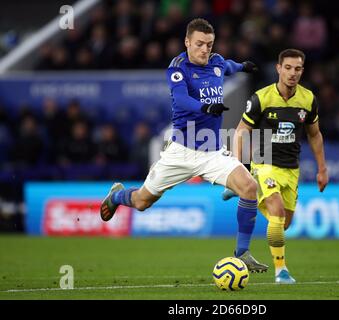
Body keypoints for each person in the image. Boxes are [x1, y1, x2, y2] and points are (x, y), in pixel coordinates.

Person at [100, 18, 268, 272]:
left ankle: (242, 252)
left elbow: (228, 66)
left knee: (248, 187)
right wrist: (205, 107)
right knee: (143, 202)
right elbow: (181, 99)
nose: (205, 49)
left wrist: (243, 65)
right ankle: (117, 195)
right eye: (199, 44)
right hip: (181, 151)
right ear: (187, 42)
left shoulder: (217, 62)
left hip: (211, 150)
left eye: (209, 44)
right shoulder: (177, 68)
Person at [227, 49, 329, 284]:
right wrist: (237, 165)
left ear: (302, 71)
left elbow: (315, 135)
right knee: (277, 210)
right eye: (288, 68)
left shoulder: (308, 99)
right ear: (278, 69)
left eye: (298, 69)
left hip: (291, 168)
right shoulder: (261, 98)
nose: (293, 73)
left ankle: (248, 205)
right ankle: (281, 271)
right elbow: (242, 130)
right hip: (264, 163)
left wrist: (322, 168)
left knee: (284, 223)